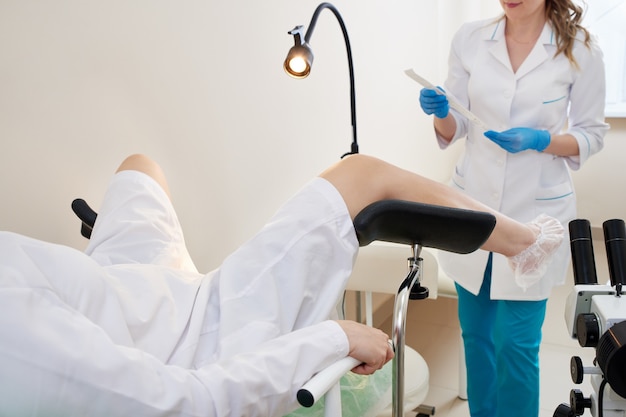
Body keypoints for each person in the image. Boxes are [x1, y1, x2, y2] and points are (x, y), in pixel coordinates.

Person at [0, 153, 563, 417]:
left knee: (138, 166)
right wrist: (335, 337)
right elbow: (189, 403)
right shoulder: (15, 345)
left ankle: (167, 277)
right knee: (361, 176)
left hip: (121, 287)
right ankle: (524, 245)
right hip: (197, 335)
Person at [417, 0, 609, 416]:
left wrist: (542, 141)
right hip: (475, 206)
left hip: (534, 216)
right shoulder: (470, 38)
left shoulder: (580, 49)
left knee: (516, 344)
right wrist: (442, 113)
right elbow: (456, 129)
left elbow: (592, 135)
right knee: (477, 337)